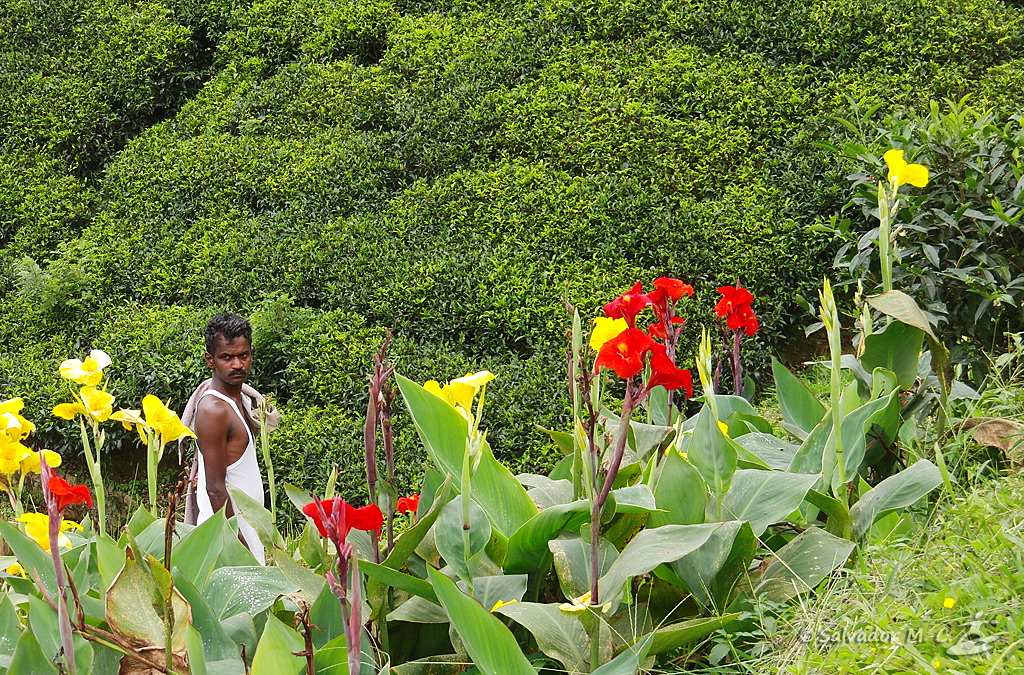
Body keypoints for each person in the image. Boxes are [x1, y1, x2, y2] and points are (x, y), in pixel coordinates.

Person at [191, 313, 267, 564]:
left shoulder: (242, 399)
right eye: (226, 357)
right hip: (228, 544)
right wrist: (238, 547)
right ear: (210, 360)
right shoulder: (214, 410)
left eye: (243, 355)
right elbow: (214, 487)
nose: (237, 365)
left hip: (247, 535)